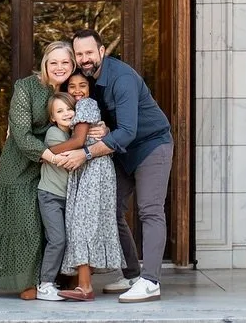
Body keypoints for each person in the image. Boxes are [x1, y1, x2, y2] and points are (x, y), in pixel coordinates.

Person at [58, 28, 173, 303]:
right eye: (79, 54)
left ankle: (151, 282)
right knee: (111, 207)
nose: (84, 59)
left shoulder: (121, 77)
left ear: (101, 52)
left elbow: (128, 132)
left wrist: (85, 155)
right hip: (121, 152)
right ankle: (133, 275)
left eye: (89, 53)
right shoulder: (86, 82)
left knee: (150, 210)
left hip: (151, 145)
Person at [0, 40, 78, 298]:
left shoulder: (75, 89)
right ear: (45, 64)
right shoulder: (26, 87)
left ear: (73, 64)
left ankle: (55, 279)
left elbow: (88, 120)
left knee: (54, 225)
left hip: (57, 171)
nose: (59, 67)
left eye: (65, 62)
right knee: (26, 221)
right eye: (53, 62)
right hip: (22, 165)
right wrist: (52, 157)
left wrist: (99, 128)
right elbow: (21, 135)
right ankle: (26, 282)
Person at [55, 71, 125, 301]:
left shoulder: (86, 104)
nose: (77, 90)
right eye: (71, 86)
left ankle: (85, 287)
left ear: (90, 88)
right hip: (91, 169)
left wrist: (40, 152)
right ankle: (82, 282)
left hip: (94, 169)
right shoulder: (77, 109)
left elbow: (77, 141)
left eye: (82, 85)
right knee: (87, 222)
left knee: (82, 224)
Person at [35, 91, 76, 302]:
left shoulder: (73, 133)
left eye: (69, 108)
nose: (66, 113)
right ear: (53, 118)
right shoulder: (54, 134)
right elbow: (67, 158)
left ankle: (60, 280)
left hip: (68, 197)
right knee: (57, 239)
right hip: (50, 195)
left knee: (66, 239)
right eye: (60, 111)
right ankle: (45, 284)